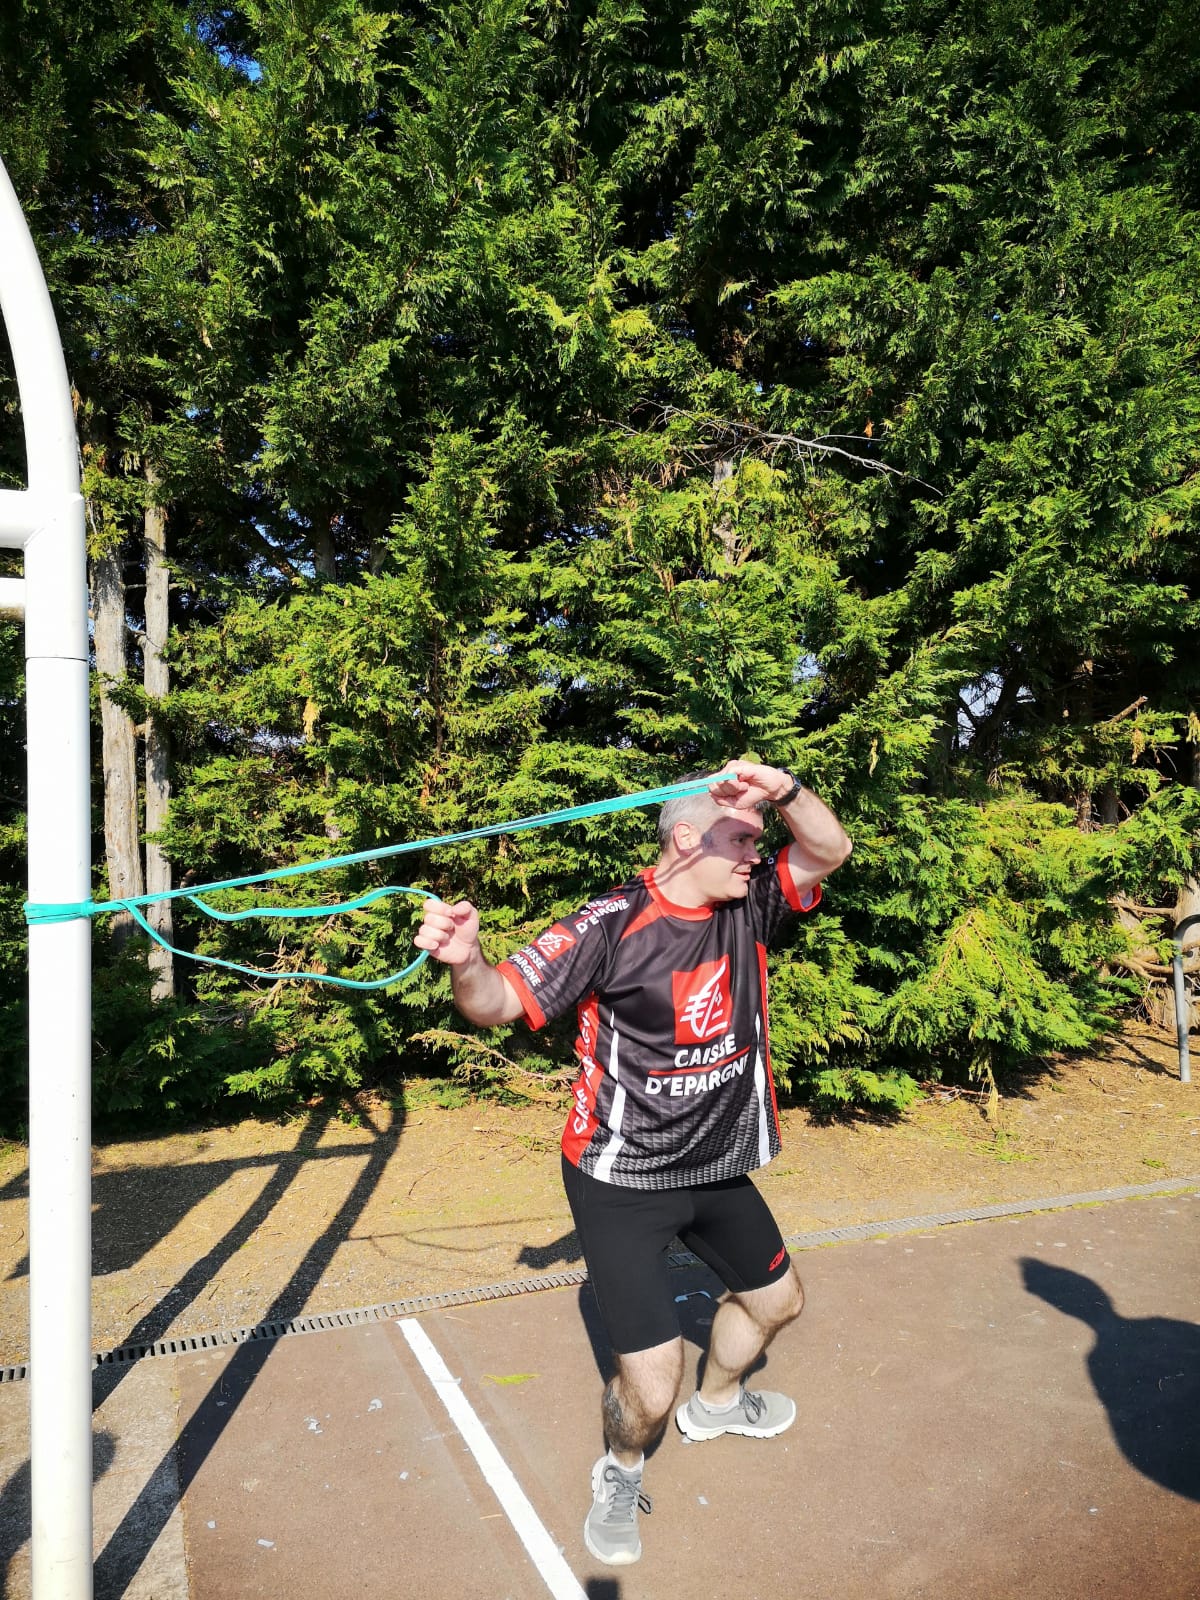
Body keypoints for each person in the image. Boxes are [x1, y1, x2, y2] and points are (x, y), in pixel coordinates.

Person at [414, 760, 853, 1565]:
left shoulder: (751, 901)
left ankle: (718, 1403)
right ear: (686, 838)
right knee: (651, 1388)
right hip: (620, 1179)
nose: (757, 854)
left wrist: (783, 789)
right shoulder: (609, 923)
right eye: (742, 840)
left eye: (759, 840)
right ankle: (619, 1469)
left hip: (717, 1164)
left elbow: (830, 848)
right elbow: (497, 1003)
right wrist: (467, 962)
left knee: (778, 1302)